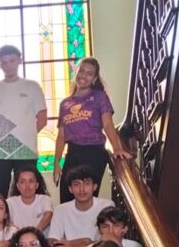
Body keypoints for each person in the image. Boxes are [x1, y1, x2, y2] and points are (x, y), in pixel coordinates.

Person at [53, 57, 131, 203]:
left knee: (86, 200)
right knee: (67, 200)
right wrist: (56, 163)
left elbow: (108, 124)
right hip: (73, 153)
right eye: (81, 71)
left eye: (89, 73)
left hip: (94, 153)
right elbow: (61, 136)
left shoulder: (100, 97)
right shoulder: (65, 103)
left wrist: (117, 149)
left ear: (94, 78)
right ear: (76, 72)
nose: (84, 76)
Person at [0, 45, 47, 196]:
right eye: (3, 62)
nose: (8, 65)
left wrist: (24, 136)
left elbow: (42, 119)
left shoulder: (32, 86)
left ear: (19, 61)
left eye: (12, 60)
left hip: (26, 151)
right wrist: (7, 141)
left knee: (27, 195)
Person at [49, 165, 115, 247]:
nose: (82, 189)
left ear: (95, 186)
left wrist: (86, 245)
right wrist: (81, 243)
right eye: (76, 184)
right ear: (70, 189)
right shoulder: (61, 209)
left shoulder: (106, 205)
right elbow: (53, 241)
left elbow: (110, 237)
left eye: (87, 183)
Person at [6, 165, 54, 233]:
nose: (27, 185)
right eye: (22, 182)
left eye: (31, 181)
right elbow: (4, 221)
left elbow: (49, 214)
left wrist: (36, 231)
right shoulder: (10, 202)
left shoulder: (45, 199)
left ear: (37, 185)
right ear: (18, 186)